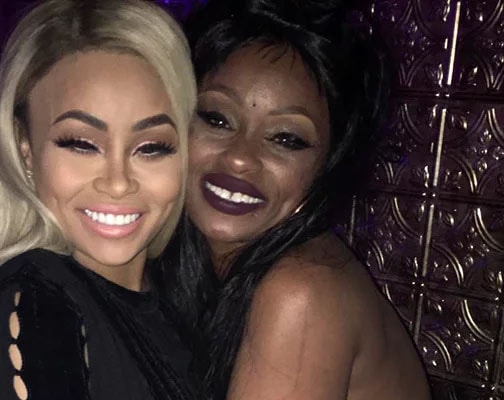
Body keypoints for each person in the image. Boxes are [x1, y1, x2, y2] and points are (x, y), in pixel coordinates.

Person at [158, 0, 432, 399]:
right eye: (217, 118)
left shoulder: (302, 292)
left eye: (286, 139)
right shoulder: (181, 260)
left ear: (327, 168)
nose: (240, 157)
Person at [0, 0, 196, 398]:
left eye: (151, 147)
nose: (118, 183)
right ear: (25, 148)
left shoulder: (184, 311)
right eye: (81, 144)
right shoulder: (34, 303)